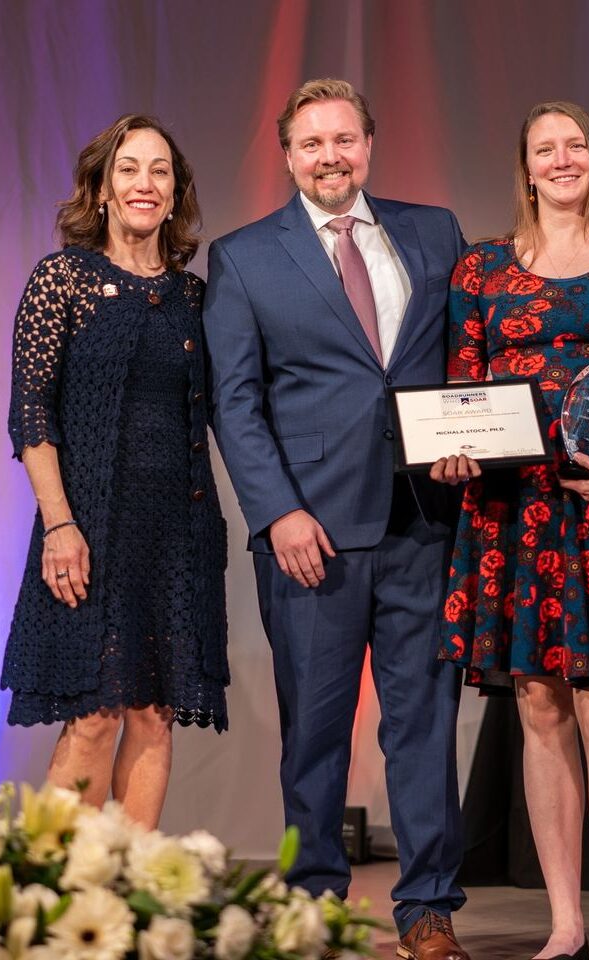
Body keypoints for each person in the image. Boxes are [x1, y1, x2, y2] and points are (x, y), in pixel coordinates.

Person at [202, 79, 470, 960]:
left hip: (425, 522)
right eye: (312, 143)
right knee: (314, 732)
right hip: (310, 535)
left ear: (369, 145)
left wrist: (475, 442)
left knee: (423, 726)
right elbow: (234, 403)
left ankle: (428, 907)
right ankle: (311, 909)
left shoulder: (433, 232)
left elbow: (464, 364)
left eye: (345, 140)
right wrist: (278, 512)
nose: (330, 156)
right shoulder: (244, 257)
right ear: (287, 156)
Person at [433, 101, 589, 960]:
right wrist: (455, 454)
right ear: (526, 166)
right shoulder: (479, 268)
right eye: (546, 148)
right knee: (540, 709)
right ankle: (566, 924)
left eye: (575, 144)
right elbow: (458, 388)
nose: (562, 158)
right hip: (515, 513)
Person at [2, 114, 229, 829]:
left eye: (160, 170)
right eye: (129, 169)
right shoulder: (61, 280)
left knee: (154, 717)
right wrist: (59, 525)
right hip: (89, 531)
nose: (144, 183)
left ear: (176, 191)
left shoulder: (195, 298)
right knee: (95, 718)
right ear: (100, 189)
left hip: (177, 538)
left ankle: (128, 909)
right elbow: (31, 415)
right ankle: (62, 908)